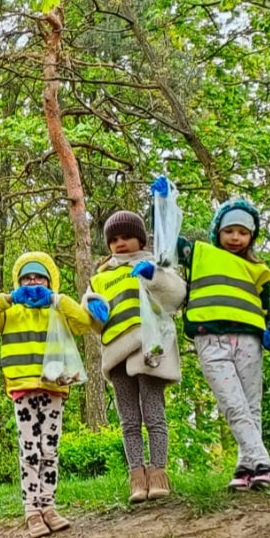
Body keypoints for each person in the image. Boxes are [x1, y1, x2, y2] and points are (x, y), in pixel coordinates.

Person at [0, 252, 97, 538]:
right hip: (23, 388)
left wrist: (56, 299)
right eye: (27, 277)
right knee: (30, 449)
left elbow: (83, 323)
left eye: (39, 276)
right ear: (18, 281)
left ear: (50, 280)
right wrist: (9, 298)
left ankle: (48, 506)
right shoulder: (10, 313)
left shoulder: (57, 309)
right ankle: (31, 510)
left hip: (54, 387)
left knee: (49, 450)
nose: (32, 281)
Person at [176, 191, 270, 491]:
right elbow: (170, 242)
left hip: (249, 341)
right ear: (218, 232)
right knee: (233, 403)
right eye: (229, 230)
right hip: (211, 339)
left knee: (251, 406)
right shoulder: (199, 253)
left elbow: (267, 311)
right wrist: (163, 205)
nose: (236, 237)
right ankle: (263, 462)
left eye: (243, 232)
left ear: (251, 236)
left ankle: (245, 469)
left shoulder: (259, 270)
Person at [84, 209, 188, 503]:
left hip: (150, 349)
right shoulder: (101, 276)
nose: (120, 243)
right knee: (128, 420)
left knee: (154, 414)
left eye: (127, 236)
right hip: (117, 353)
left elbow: (177, 295)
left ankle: (158, 474)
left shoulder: (155, 262)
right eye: (114, 239)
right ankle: (135, 477)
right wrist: (92, 309)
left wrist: (153, 276)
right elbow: (89, 310)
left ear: (140, 238)